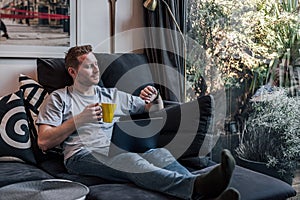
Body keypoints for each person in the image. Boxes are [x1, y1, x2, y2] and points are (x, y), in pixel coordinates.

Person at [36, 45, 240, 200]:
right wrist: (79, 120)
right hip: (80, 155)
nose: (96, 70)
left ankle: (205, 192)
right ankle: (198, 188)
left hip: (115, 149)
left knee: (158, 153)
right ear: (73, 72)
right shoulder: (59, 98)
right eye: (89, 66)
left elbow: (155, 111)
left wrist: (155, 98)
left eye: (96, 64)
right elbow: (44, 142)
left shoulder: (111, 95)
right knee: (132, 161)